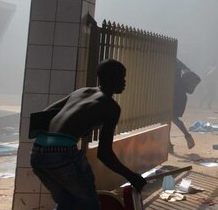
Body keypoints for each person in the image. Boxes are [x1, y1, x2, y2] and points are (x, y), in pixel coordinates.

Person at [30, 59, 146, 209]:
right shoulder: (111, 107)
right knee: (89, 205)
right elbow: (104, 154)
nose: (124, 82)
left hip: (38, 150)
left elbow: (45, 114)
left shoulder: (82, 92)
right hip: (63, 154)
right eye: (121, 77)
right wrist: (131, 176)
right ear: (111, 78)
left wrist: (72, 127)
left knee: (67, 203)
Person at [170, 61, 195, 152]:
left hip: (176, 95)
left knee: (172, 117)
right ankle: (168, 144)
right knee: (168, 119)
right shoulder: (177, 61)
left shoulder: (171, 61)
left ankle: (187, 136)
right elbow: (187, 70)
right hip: (178, 94)